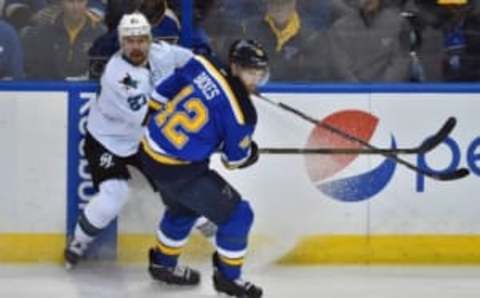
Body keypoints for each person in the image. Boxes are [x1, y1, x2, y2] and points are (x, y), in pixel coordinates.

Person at [64, 11, 197, 268]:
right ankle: (78, 241)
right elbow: (149, 117)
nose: (136, 46)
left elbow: (196, 64)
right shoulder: (118, 76)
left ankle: (219, 239)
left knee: (182, 187)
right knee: (114, 195)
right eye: (129, 41)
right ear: (122, 43)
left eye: (141, 40)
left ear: (150, 39)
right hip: (108, 141)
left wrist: (225, 82)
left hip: (143, 141)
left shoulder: (164, 52)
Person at [139, 39, 268, 297]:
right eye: (250, 72)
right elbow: (234, 161)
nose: (255, 79)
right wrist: (250, 153)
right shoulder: (243, 114)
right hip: (180, 169)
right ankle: (228, 279)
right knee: (239, 215)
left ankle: (163, 265)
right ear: (234, 66)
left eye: (259, 73)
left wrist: (153, 115)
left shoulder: (202, 63)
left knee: (183, 209)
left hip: (148, 150)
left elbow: (163, 91)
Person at [21, 0, 106, 80]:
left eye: (80, 1)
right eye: (70, 1)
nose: (76, 7)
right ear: (61, 3)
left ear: (87, 2)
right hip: (50, 91)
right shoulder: (40, 33)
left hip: (87, 91)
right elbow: (30, 72)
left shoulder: (101, 35)